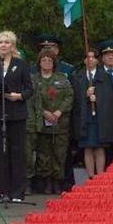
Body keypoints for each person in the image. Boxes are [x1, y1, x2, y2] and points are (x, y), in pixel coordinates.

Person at [0, 30, 34, 202]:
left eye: (6, 42)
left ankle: (18, 192)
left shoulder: (20, 64)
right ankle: (4, 190)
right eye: (0, 42)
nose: (3, 45)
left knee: (17, 152)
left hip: (17, 113)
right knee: (1, 153)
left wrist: (19, 96)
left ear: (12, 45)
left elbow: (29, 89)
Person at [72, 46, 113, 178]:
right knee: (88, 147)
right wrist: (85, 95)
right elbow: (74, 99)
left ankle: (100, 176)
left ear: (98, 60)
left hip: (100, 118)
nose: (90, 59)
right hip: (85, 118)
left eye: (93, 57)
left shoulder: (106, 77)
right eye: (88, 57)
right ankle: (91, 176)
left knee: (99, 147)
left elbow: (109, 99)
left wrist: (97, 98)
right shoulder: (77, 77)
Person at [32, 50, 73, 193]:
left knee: (59, 154)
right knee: (44, 154)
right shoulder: (34, 80)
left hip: (60, 123)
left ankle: (57, 181)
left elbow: (69, 97)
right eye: (44, 60)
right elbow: (32, 99)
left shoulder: (62, 79)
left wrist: (59, 111)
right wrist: (43, 112)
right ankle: (47, 182)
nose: (47, 63)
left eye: (50, 60)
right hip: (42, 123)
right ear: (39, 62)